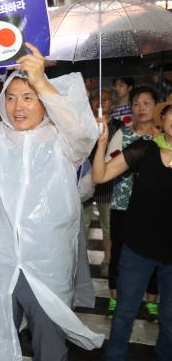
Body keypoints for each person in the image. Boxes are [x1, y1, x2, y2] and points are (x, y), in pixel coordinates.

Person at [0, 38, 103, 360]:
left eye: (28, 97)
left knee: (49, 345)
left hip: (47, 266)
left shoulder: (63, 141)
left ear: (44, 101)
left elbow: (84, 132)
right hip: (0, 265)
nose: (18, 107)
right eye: (11, 98)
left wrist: (41, 80)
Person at [92, 94, 172, 361]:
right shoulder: (144, 149)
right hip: (138, 249)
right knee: (124, 313)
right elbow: (100, 175)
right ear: (164, 117)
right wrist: (102, 143)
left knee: (170, 320)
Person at [104, 86, 160, 320]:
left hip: (155, 209)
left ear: (156, 107)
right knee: (118, 253)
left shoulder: (163, 136)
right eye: (136, 103)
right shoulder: (123, 134)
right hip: (123, 205)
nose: (141, 108)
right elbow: (107, 163)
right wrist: (127, 162)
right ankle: (114, 299)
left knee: (156, 253)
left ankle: (152, 301)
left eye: (146, 103)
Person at [83, 89, 124, 277]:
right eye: (96, 99)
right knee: (81, 223)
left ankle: (108, 258)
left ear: (113, 105)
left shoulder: (118, 127)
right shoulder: (85, 124)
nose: (100, 103)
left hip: (108, 182)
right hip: (84, 181)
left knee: (108, 225)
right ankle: (80, 259)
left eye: (105, 100)